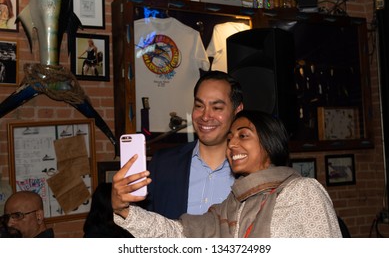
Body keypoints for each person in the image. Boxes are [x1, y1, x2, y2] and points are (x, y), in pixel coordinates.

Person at [111, 110, 342, 237]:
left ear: (270, 142)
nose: (231, 145)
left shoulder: (302, 192)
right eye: (230, 138)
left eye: (243, 136)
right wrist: (124, 210)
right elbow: (179, 233)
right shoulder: (232, 205)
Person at [143, 71, 243, 219]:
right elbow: (142, 225)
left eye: (216, 108)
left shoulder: (251, 170)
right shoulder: (163, 164)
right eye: (199, 105)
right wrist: (120, 205)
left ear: (237, 111)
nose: (205, 116)